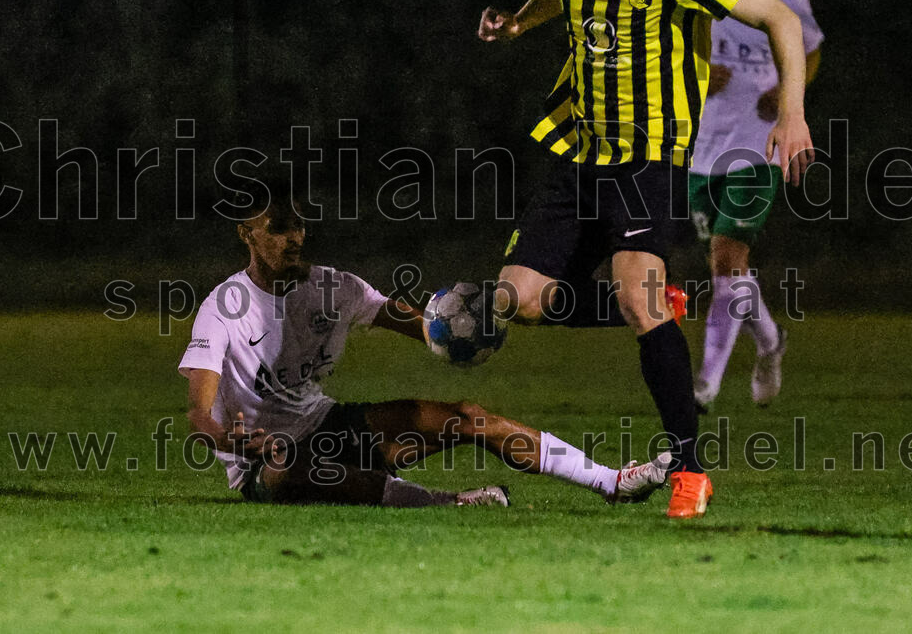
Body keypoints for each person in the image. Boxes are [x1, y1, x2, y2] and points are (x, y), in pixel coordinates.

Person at [478, 0, 814, 518]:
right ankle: (663, 305)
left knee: (638, 297)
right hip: (580, 151)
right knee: (518, 300)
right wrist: (520, 20)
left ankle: (689, 472)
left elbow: (780, 19)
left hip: (648, 156)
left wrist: (795, 115)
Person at [178, 181, 670, 508]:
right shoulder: (224, 306)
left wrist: (468, 323)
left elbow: (422, 324)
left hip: (328, 425)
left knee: (467, 416)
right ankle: (446, 502)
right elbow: (199, 414)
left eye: (300, 225)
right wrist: (229, 441)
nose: (294, 237)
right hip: (263, 462)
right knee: (290, 469)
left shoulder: (337, 288)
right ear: (246, 233)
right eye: (278, 228)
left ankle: (610, 481)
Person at [689, 0, 824, 412]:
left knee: (726, 260)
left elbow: (810, 50)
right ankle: (770, 342)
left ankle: (706, 383)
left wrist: (788, 97)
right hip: (700, 150)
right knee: (730, 270)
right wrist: (700, 72)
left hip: (756, 149)